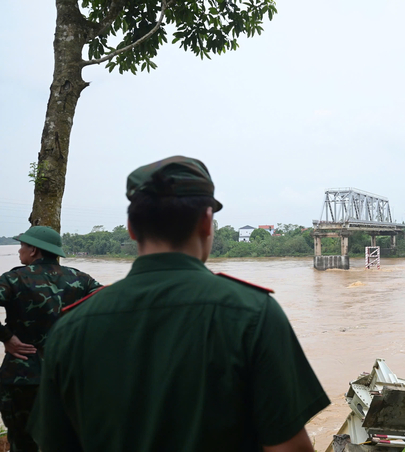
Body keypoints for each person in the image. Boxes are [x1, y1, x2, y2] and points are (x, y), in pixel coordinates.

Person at [29, 156, 330, 452]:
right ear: (206, 222)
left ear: (132, 228)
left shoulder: (70, 329)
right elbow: (288, 448)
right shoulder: (252, 313)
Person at [0, 226, 101, 452]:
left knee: (23, 442)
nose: (19, 251)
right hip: (69, 376)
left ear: (34, 250)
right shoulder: (81, 279)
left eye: (22, 246)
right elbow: (110, 307)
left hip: (23, 378)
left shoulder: (14, 279)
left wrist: (6, 337)